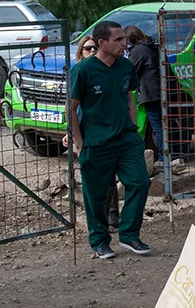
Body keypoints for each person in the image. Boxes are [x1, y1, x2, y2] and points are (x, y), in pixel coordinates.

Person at [69, 20, 152, 259]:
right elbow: (71, 108)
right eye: (118, 40)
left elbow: (130, 98)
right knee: (96, 195)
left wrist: (134, 129)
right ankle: (99, 241)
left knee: (140, 182)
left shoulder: (125, 66)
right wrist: (79, 141)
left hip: (125, 139)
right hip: (95, 142)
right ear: (102, 43)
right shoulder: (83, 70)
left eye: (124, 39)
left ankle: (129, 235)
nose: (124, 44)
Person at [124, 26, 164, 162]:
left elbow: (128, 71)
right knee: (163, 125)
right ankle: (171, 153)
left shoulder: (138, 51)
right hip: (161, 90)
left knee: (157, 125)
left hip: (150, 93)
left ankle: (164, 158)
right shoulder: (153, 46)